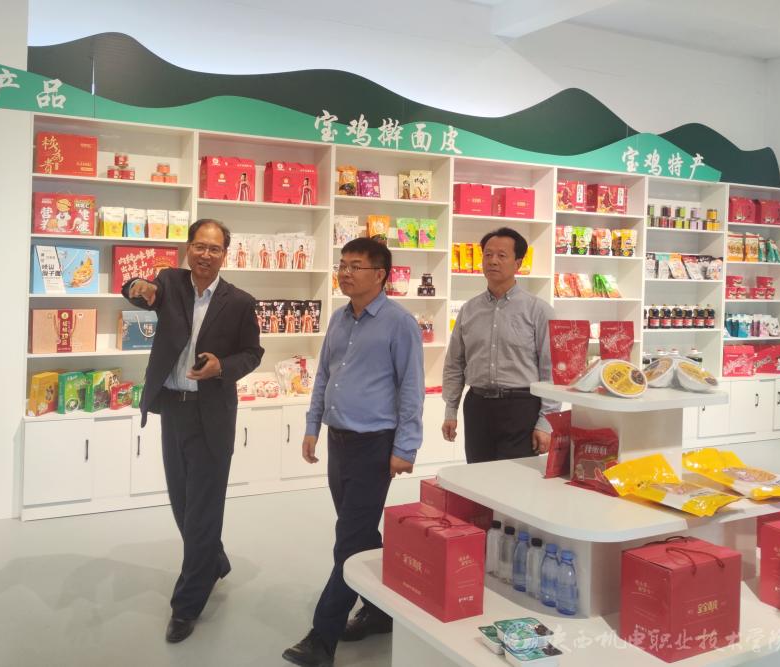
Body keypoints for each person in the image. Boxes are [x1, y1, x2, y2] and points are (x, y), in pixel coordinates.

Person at [283, 238, 425, 667]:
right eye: (342, 264)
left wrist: (406, 446)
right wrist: (312, 425)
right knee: (361, 535)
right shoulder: (339, 318)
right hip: (338, 440)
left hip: (374, 445)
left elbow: (411, 388)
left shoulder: (400, 323)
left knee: (347, 540)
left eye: (355, 266)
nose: (344, 272)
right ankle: (381, 612)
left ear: (380, 275)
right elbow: (324, 376)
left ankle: (322, 637)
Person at [123, 218, 263, 644]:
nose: (205, 255)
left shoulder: (240, 302)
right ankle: (213, 560)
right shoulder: (170, 283)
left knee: (203, 509)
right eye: (199, 246)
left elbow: (252, 353)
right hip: (173, 408)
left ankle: (186, 604)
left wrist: (222, 367)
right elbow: (138, 290)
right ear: (188, 248)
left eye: (214, 249)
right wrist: (136, 287)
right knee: (183, 503)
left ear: (225, 255)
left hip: (211, 413)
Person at [441, 227, 558, 463]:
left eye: (502, 255)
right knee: (478, 475)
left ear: (518, 263)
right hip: (477, 406)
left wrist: (546, 421)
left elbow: (551, 369)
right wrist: (450, 410)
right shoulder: (469, 310)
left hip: (521, 406)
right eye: (488, 254)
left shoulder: (538, 310)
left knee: (515, 478)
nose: (493, 261)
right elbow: (455, 363)